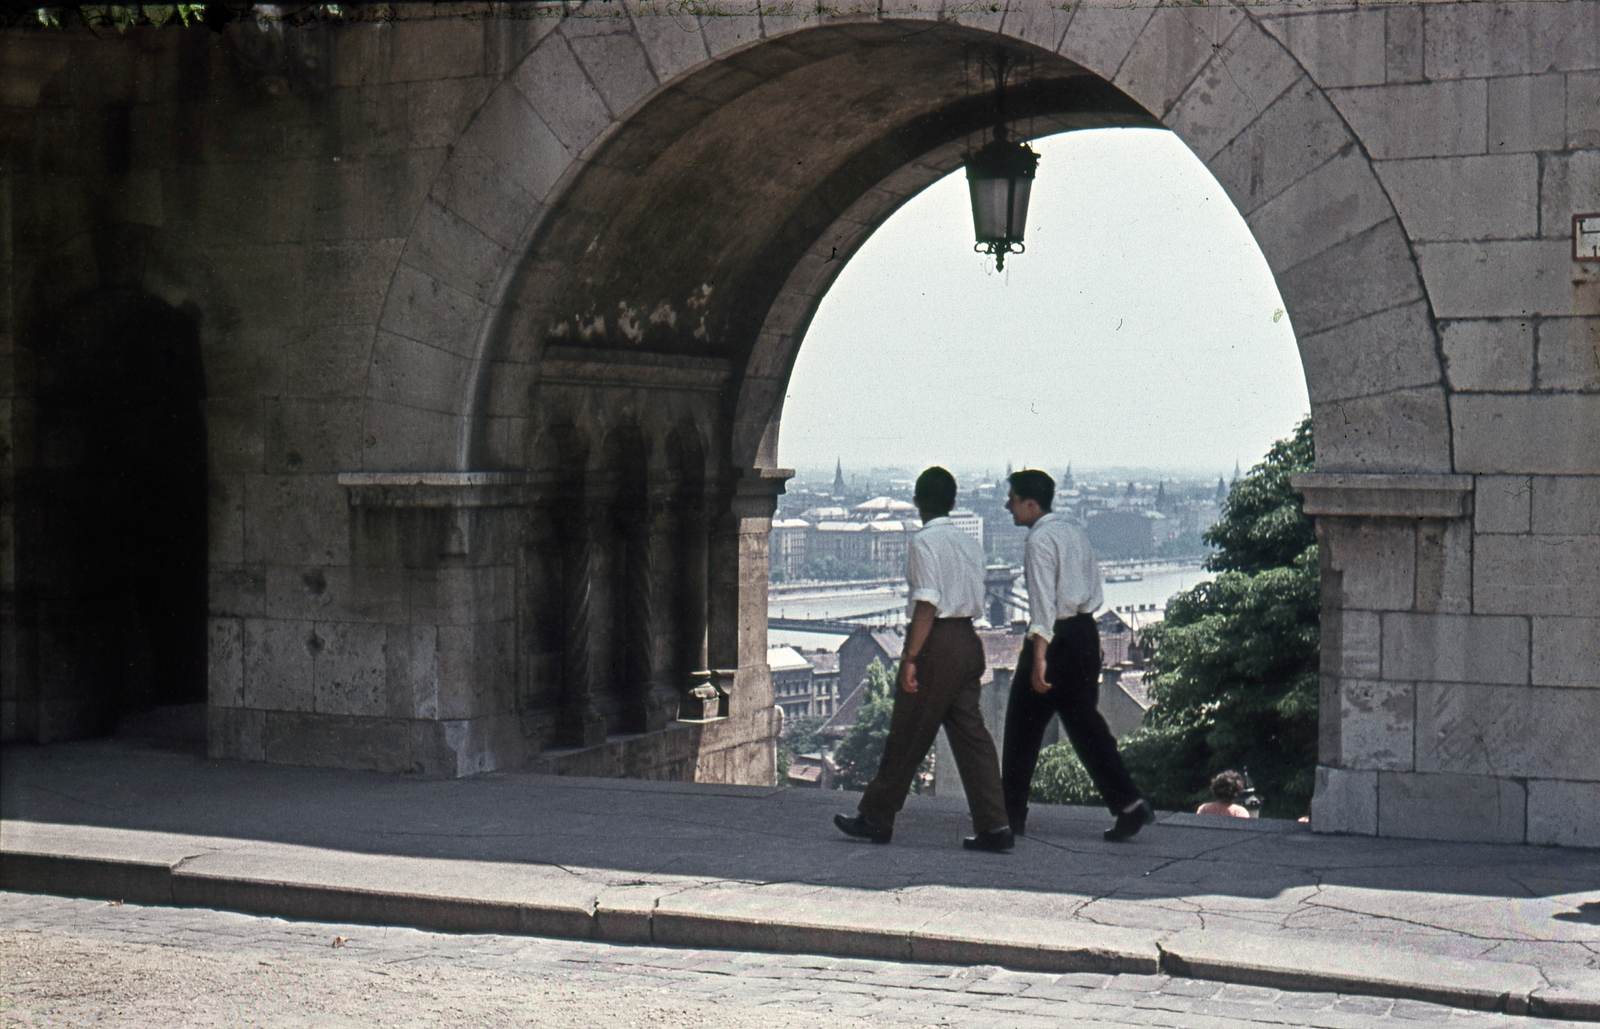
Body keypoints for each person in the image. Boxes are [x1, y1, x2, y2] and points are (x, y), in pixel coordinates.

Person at [834, 466, 1014, 852]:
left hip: (938, 644)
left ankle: (876, 819)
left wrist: (910, 657)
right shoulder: (971, 545)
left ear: (916, 503)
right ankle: (996, 825)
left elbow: (927, 604)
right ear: (953, 502)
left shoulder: (923, 543)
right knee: (973, 738)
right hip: (969, 640)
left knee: (907, 732)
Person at [1001, 469, 1155, 843]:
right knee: (1087, 728)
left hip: (1053, 640)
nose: (1008, 506)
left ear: (1031, 504)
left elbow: (1042, 606)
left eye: (1013, 499)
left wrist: (1039, 658)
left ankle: (1007, 818)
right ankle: (1129, 804)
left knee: (1022, 730)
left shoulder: (1039, 541)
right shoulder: (1075, 531)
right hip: (1085, 634)